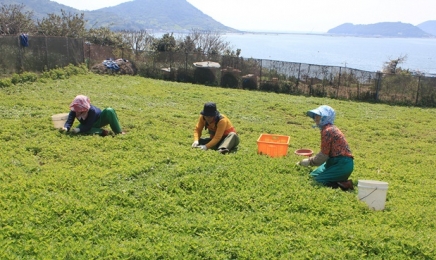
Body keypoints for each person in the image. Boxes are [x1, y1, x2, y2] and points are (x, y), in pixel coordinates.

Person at [297, 105, 354, 191]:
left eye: (318, 115)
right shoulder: (328, 129)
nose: (315, 118)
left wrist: (309, 161)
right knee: (313, 175)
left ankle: (344, 184)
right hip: (333, 162)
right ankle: (339, 180)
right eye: (315, 115)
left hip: (342, 164)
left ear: (325, 117)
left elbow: (324, 155)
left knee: (317, 181)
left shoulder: (327, 131)